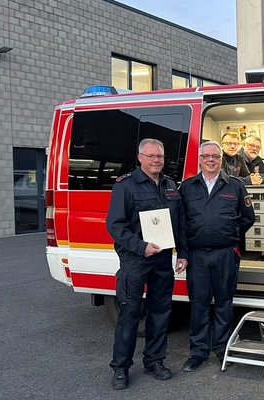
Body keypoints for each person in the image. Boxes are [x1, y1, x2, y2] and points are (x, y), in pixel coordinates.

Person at [106, 138, 187, 390]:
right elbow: (115, 226)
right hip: (135, 260)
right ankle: (121, 367)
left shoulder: (170, 185)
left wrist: (182, 253)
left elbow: (179, 222)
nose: (156, 160)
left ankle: (154, 361)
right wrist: (141, 246)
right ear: (140, 158)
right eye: (150, 156)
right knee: (129, 314)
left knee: (160, 313)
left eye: (159, 156)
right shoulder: (125, 186)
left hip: (162, 259)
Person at [176, 141, 255, 372]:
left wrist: (230, 235)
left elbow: (248, 217)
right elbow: (180, 222)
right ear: (199, 159)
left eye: (215, 156)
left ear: (221, 160)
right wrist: (183, 252)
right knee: (199, 304)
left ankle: (222, 349)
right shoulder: (187, 187)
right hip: (197, 255)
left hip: (225, 254)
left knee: (224, 303)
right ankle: (198, 352)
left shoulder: (236, 186)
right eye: (206, 156)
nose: (210, 160)